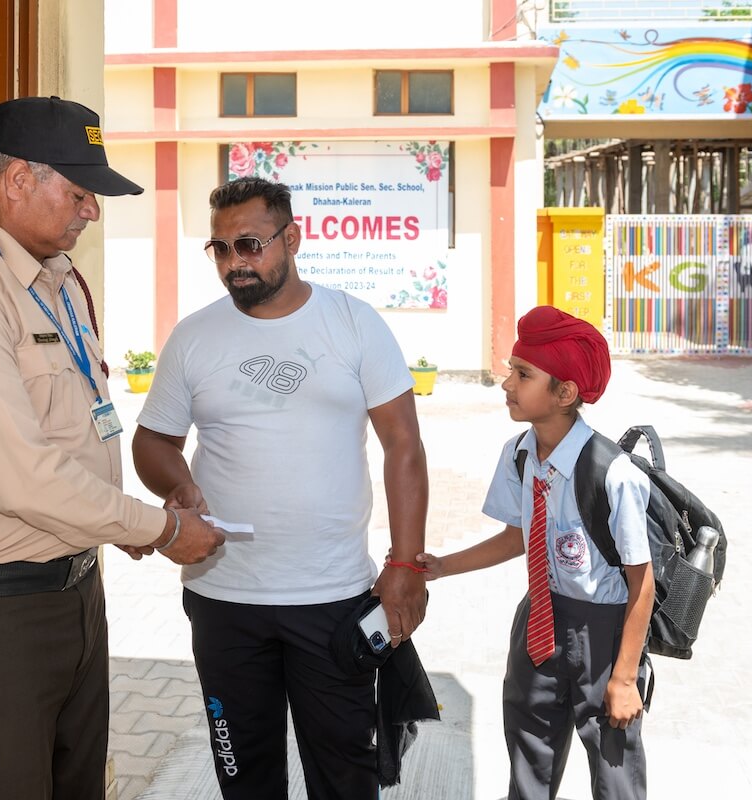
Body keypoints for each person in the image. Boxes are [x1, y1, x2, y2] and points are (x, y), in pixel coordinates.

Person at [0, 96, 225, 800]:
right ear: (16, 182)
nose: (90, 211)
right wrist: (159, 529)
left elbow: (73, 436)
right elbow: (23, 478)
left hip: (74, 594)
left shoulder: (53, 283)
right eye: (78, 192)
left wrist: (113, 524)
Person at [130, 177, 429, 800]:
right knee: (244, 775)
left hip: (334, 596)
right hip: (222, 597)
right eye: (219, 248)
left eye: (249, 245)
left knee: (346, 776)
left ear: (291, 238)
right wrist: (179, 483)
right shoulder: (194, 336)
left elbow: (403, 444)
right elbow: (152, 441)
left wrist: (405, 563)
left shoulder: (353, 322)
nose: (234, 263)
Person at [416, 305, 654, 800]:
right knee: (529, 752)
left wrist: (625, 677)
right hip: (540, 618)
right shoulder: (519, 453)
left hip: (604, 631)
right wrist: (442, 567)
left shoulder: (615, 473)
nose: (507, 384)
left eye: (522, 374)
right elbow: (516, 537)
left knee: (613, 768)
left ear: (565, 393)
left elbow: (641, 581)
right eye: (511, 370)